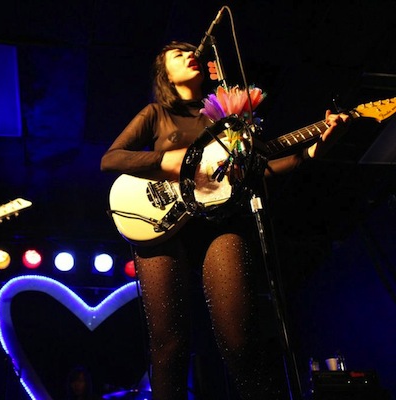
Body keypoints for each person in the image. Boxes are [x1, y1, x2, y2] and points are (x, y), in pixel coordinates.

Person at [100, 41, 350, 400]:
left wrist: (310, 152)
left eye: (192, 51)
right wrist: (166, 160)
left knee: (240, 339)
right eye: (178, 54)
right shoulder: (156, 114)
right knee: (168, 344)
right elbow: (111, 160)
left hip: (221, 225)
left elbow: (258, 168)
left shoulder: (228, 119)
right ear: (165, 74)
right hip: (162, 226)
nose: (190, 56)